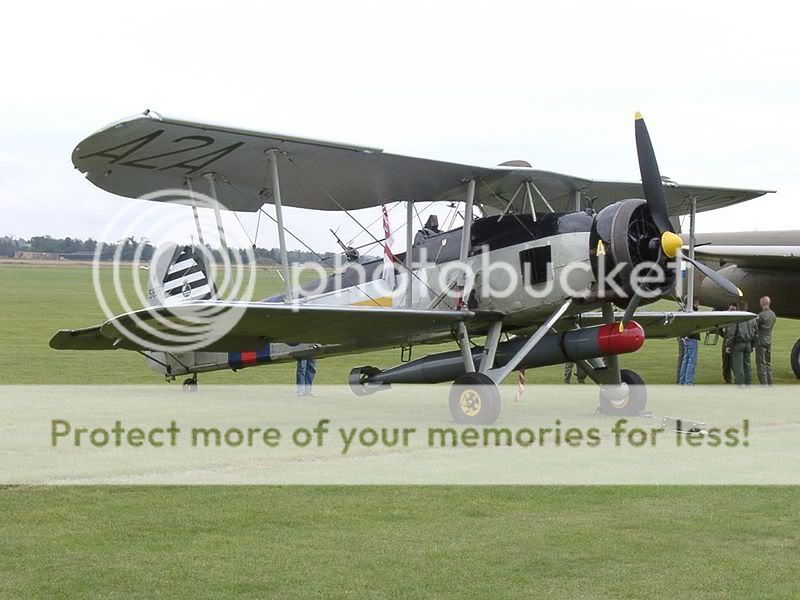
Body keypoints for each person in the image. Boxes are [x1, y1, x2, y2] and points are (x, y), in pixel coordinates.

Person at [725, 301, 755, 387]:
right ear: (747, 307)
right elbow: (756, 332)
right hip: (748, 343)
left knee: (738, 366)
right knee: (747, 365)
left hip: (738, 343)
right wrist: (752, 344)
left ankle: (740, 385)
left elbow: (731, 332)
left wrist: (728, 344)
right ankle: (748, 384)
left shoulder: (737, 317)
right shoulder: (752, 318)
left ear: (738, 308)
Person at [755, 296, 776, 386]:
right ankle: (770, 382)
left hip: (761, 341)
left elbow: (754, 326)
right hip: (768, 339)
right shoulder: (773, 314)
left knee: (761, 363)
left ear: (762, 303)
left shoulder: (761, 315)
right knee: (768, 363)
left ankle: (764, 383)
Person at [721, 302, 738, 383]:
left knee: (732, 363)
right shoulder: (726, 317)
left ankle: (731, 379)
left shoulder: (735, 319)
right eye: (731, 309)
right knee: (727, 363)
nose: (732, 311)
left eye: (733, 310)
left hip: (731, 343)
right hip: (727, 342)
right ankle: (728, 379)